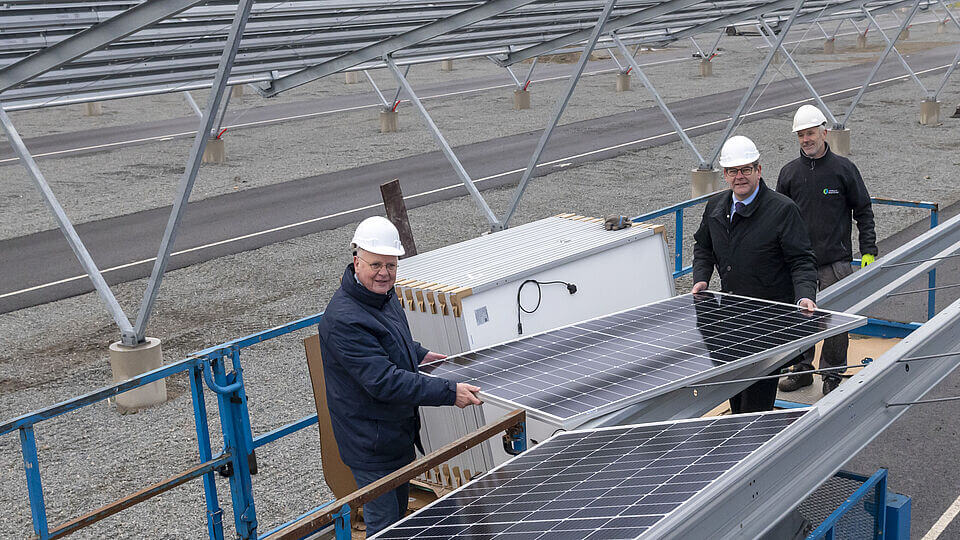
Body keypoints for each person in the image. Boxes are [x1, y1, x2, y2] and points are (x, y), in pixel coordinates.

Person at [317, 216, 482, 537]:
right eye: (375, 264)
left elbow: (391, 340)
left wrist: (418, 354)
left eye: (391, 265)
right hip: (371, 445)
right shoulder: (344, 320)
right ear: (356, 262)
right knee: (384, 525)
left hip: (394, 434)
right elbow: (384, 381)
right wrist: (450, 392)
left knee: (400, 516)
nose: (384, 273)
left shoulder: (382, 295)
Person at [692, 135, 819, 413]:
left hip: (769, 323)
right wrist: (701, 277)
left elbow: (801, 260)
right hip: (731, 319)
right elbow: (703, 246)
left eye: (746, 169)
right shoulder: (716, 207)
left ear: (759, 170)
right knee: (735, 392)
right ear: (725, 175)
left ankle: (755, 447)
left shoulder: (782, 210)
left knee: (757, 402)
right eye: (734, 171)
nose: (740, 177)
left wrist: (805, 296)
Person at [776, 105, 877, 395]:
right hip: (798, 266)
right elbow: (776, 219)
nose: (806, 139)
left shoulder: (843, 170)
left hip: (836, 263)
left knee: (836, 323)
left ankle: (831, 375)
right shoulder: (789, 174)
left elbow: (864, 210)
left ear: (824, 132)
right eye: (801, 135)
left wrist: (868, 250)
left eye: (810, 133)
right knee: (798, 319)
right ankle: (801, 369)